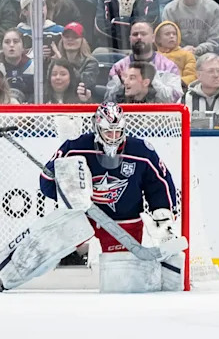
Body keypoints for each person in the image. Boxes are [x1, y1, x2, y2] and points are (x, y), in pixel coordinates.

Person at [30, 102, 184, 293]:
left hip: (124, 222)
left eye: (117, 132)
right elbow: (47, 183)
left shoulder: (142, 151)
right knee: (66, 276)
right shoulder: (76, 146)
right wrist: (62, 189)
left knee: (121, 281)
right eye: (108, 132)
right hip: (82, 217)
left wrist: (163, 213)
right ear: (97, 128)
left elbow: (160, 183)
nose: (113, 137)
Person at [105, 21, 183, 102]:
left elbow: (175, 98)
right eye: (135, 34)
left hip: (159, 113)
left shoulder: (169, 66)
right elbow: (109, 100)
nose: (139, 37)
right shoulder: (118, 67)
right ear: (130, 39)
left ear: (153, 38)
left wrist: (153, 79)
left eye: (143, 34)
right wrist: (122, 85)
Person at [183, 53, 219, 128]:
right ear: (198, 75)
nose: (216, 75)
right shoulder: (185, 99)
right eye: (211, 71)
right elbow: (177, 127)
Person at [154, 21, 197, 87]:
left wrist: (178, 82)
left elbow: (192, 76)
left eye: (174, 34)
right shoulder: (153, 57)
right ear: (158, 39)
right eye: (167, 34)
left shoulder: (187, 55)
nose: (172, 36)